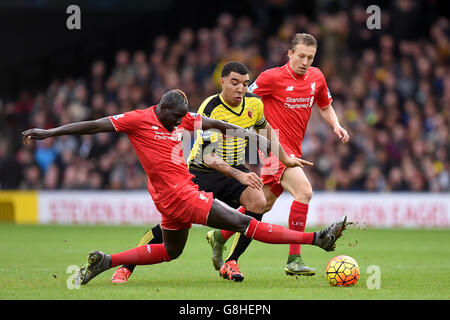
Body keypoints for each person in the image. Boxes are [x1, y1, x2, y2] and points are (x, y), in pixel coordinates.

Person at [22, 89, 347, 286]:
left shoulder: (181, 118)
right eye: (176, 118)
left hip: (168, 199)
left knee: (171, 252)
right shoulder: (138, 119)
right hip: (181, 195)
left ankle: (106, 261)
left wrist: (251, 136)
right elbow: (95, 125)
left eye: (183, 118)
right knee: (245, 222)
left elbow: (214, 123)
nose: (182, 123)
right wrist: (50, 133)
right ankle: (318, 239)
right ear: (162, 109)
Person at [110, 61, 312, 283]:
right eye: (235, 83)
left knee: (258, 201)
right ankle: (125, 268)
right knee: (168, 228)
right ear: (222, 81)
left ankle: (231, 261)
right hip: (201, 171)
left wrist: (285, 159)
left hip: (234, 168)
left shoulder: (255, 104)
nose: (241, 89)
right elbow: (209, 156)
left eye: (245, 84)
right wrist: (240, 175)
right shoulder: (211, 106)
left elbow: (266, 132)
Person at [210, 33, 351, 277]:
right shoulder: (271, 78)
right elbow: (245, 99)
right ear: (290, 54)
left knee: (263, 204)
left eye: (310, 57)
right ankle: (294, 259)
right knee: (304, 191)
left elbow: (325, 105)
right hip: (272, 148)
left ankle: (219, 234)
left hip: (294, 150)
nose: (305, 62)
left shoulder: (317, 77)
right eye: (301, 56)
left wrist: (336, 125)